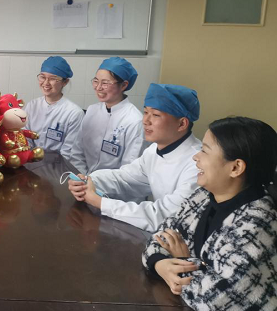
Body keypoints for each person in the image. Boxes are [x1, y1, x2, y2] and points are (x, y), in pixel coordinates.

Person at [142, 116, 277, 311]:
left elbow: (216, 301)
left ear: (235, 168)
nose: (196, 157)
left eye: (205, 151)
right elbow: (158, 239)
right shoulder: (204, 196)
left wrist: (184, 262)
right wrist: (161, 264)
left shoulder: (257, 224)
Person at [68, 83, 202, 232]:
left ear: (182, 124)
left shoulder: (197, 164)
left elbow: (163, 215)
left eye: (156, 115)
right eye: (146, 112)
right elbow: (124, 179)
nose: (145, 121)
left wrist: (100, 203)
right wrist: (89, 181)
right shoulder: (153, 151)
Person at [68, 57, 143, 175]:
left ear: (123, 85)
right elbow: (77, 151)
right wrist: (83, 177)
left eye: (105, 83)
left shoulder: (134, 120)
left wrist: (94, 182)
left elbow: (129, 169)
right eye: (96, 81)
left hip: (113, 185)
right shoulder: (92, 110)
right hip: (82, 179)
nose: (98, 87)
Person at [24, 56, 84, 161]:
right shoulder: (32, 106)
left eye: (52, 79)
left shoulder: (74, 113)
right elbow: (25, 139)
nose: (46, 83)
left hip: (58, 165)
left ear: (65, 82)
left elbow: (68, 151)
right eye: (43, 77)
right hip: (31, 162)